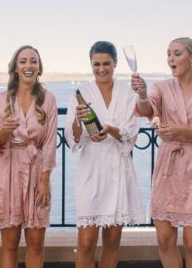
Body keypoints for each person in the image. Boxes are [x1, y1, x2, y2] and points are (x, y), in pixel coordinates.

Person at [131, 37, 192, 268]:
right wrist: (142, 94)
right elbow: (146, 110)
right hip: (168, 168)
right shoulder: (161, 87)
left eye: (177, 53)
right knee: (164, 240)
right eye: (168, 54)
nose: (171, 58)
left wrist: (185, 131)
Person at [65, 41, 144, 268]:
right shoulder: (80, 94)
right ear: (91, 64)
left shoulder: (128, 93)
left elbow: (131, 135)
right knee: (86, 243)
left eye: (106, 63)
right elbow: (74, 140)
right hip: (91, 171)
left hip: (118, 171)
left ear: (115, 63)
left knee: (112, 242)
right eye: (96, 64)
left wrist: (111, 129)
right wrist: (79, 119)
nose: (101, 69)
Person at [0, 45, 57, 268]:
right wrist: (5, 130)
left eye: (33, 61)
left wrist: (45, 180)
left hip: (37, 171)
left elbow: (49, 142)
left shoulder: (48, 99)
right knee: (10, 243)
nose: (29, 65)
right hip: (7, 171)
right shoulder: (1, 99)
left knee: (36, 243)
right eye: (23, 61)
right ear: (15, 68)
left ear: (39, 67)